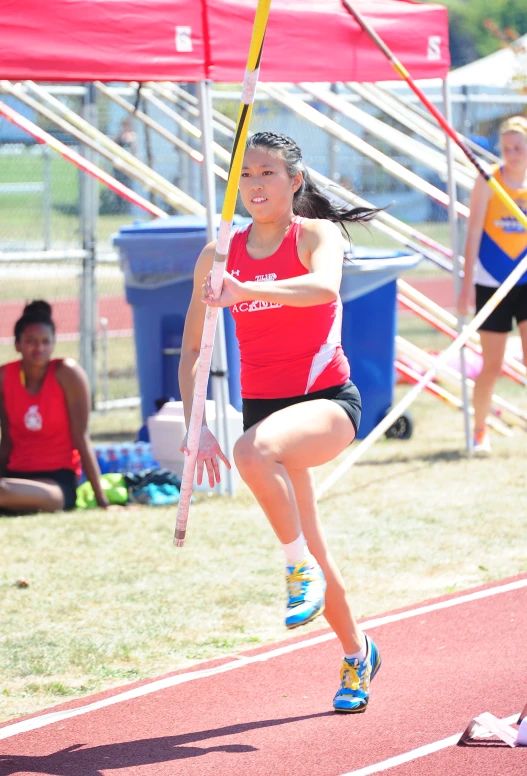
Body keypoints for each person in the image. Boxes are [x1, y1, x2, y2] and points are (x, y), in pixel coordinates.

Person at [179, 131, 382, 713]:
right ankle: (356, 653)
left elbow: (324, 286)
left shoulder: (313, 235)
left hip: (325, 403)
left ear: (294, 180)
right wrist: (197, 427)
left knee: (253, 454)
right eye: (245, 176)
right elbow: (192, 352)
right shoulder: (219, 252)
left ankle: (295, 571)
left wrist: (244, 289)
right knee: (315, 545)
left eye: (266, 174)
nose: (253, 186)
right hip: (264, 416)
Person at [458, 116, 527, 454]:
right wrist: (465, 286)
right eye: (507, 147)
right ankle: (480, 431)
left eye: (519, 147)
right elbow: (473, 233)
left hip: (526, 279)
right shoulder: (488, 180)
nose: (512, 153)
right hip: (492, 281)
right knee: (492, 364)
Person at [0, 300, 109, 514]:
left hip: (56, 482)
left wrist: (103, 501)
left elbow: (81, 438)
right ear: (17, 344)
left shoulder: (67, 373)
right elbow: (7, 441)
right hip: (15, 475)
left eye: (45, 341)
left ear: (53, 344)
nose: (39, 347)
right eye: (31, 341)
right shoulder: (5, 376)